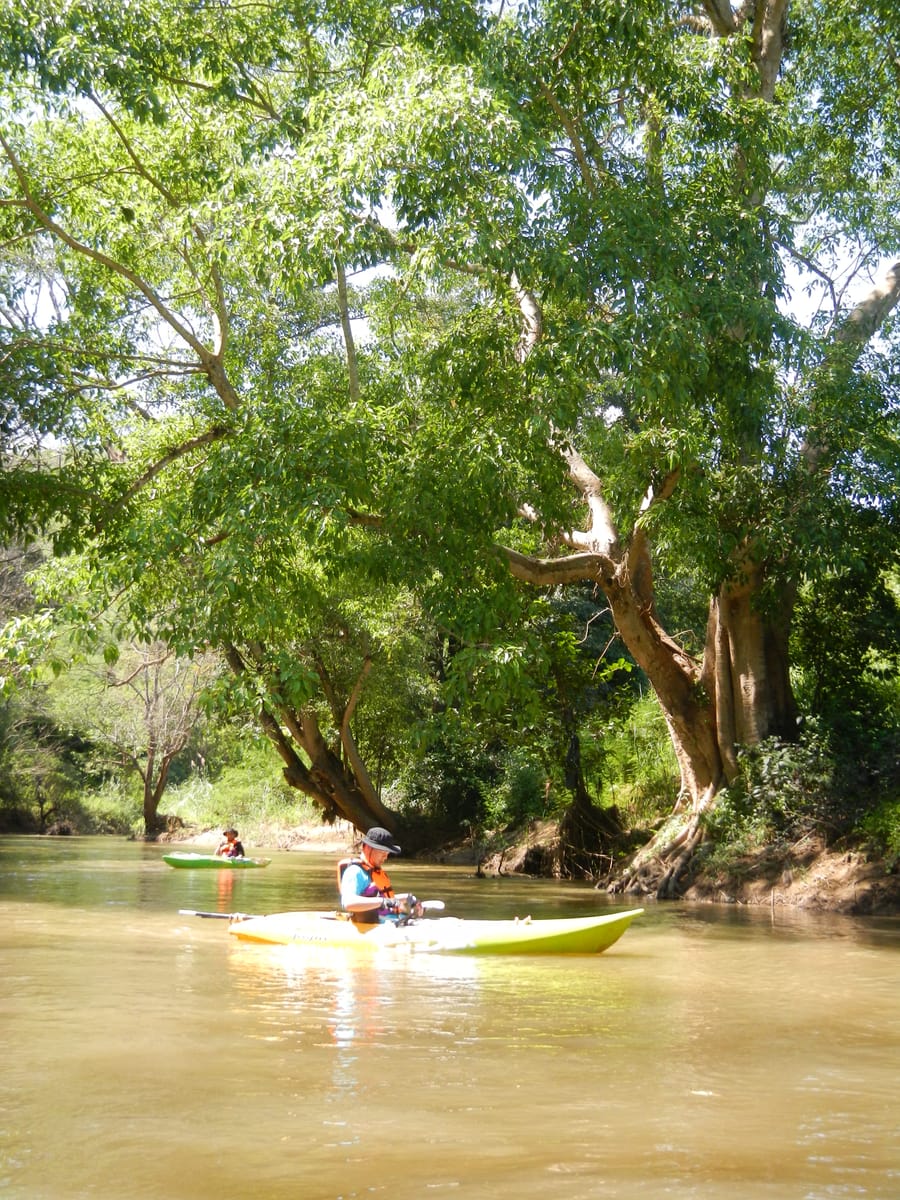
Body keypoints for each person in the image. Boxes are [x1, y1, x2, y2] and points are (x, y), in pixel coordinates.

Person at [338, 827, 423, 924]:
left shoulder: (375, 871)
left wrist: (408, 898)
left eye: (387, 853)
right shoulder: (354, 872)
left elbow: (386, 899)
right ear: (368, 848)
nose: (385, 857)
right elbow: (348, 903)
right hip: (375, 927)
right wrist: (383, 902)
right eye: (383, 853)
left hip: (394, 922)